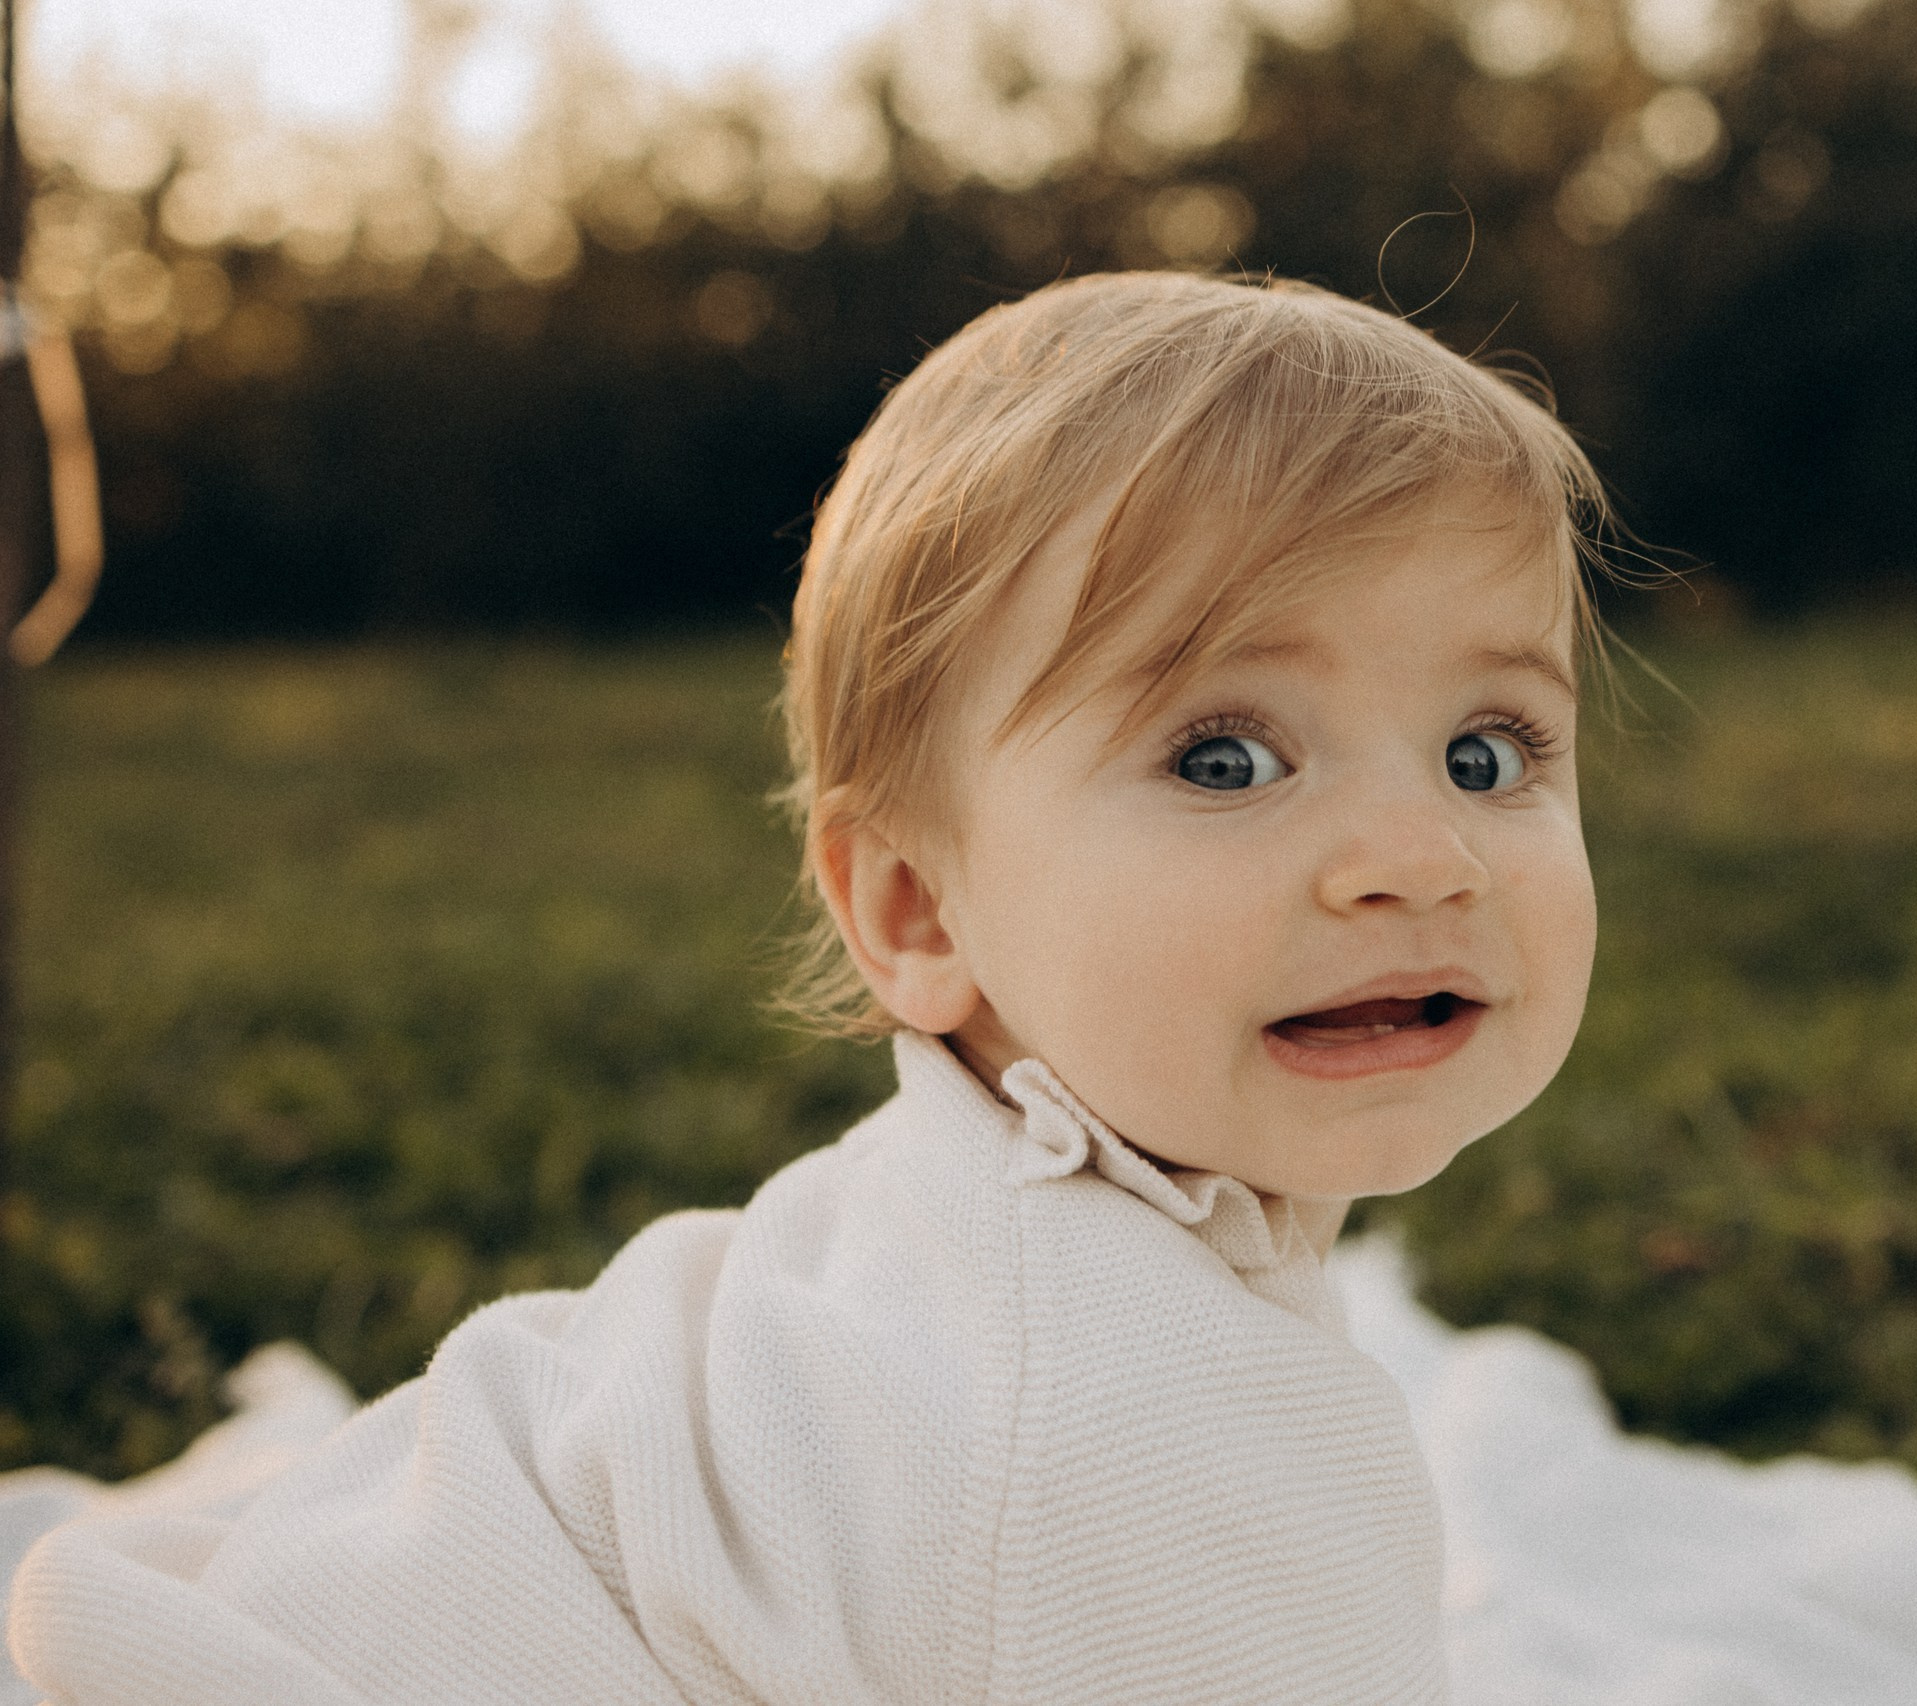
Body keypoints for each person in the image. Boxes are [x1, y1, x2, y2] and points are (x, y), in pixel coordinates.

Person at [4, 270, 1609, 1704]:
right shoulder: (1128, 1454)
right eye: (1226, 756)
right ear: (918, 907)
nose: (1420, 853)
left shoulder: (987, 1231)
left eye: (1489, 752)